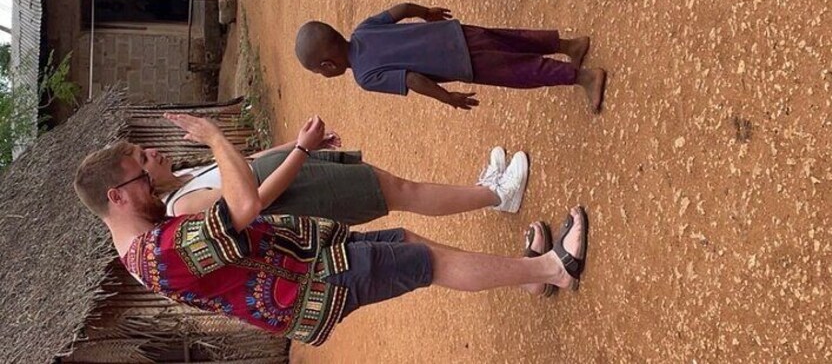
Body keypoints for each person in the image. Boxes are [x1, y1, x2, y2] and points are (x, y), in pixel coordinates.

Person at [73, 113, 588, 346]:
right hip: (315, 284)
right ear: (116, 197)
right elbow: (244, 206)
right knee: (428, 263)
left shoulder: (145, 249)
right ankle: (553, 268)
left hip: (313, 265)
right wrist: (213, 138)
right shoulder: (158, 252)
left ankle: (527, 274)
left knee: (410, 245)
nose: (152, 184)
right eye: (141, 178)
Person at [141, 127, 529, 219]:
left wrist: (299, 145)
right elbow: (253, 203)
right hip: (305, 194)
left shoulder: (186, 176)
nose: (152, 151)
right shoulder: (183, 205)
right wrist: (301, 152)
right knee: (399, 191)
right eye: (143, 158)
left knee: (394, 184)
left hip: (301, 170)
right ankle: (496, 195)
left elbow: (250, 161)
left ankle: (485, 190)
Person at [295, 3, 608, 114]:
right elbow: (402, 8)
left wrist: (448, 98)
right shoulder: (362, 29)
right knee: (511, 40)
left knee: (520, 71)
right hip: (454, 33)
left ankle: (584, 77)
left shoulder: (365, 77)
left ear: (327, 66)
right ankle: (570, 46)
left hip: (461, 64)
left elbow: (413, 79)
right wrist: (428, 13)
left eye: (319, 72)